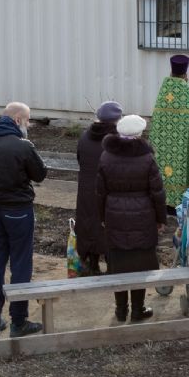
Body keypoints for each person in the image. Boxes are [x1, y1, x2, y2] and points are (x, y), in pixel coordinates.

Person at [0, 102, 48, 338]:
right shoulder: (23, 146)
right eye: (27, 120)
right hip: (19, 210)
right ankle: (18, 320)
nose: (29, 124)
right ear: (17, 120)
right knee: (21, 264)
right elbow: (40, 174)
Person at [96, 114, 166, 323]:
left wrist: (102, 217)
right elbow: (157, 192)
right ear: (139, 134)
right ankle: (137, 309)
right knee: (140, 264)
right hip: (143, 216)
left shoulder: (106, 156)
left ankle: (120, 310)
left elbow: (100, 191)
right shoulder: (147, 158)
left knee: (118, 264)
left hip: (114, 215)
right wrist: (161, 218)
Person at [149, 55, 189, 208]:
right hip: (183, 152)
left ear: (171, 72)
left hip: (164, 150)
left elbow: (155, 125)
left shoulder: (162, 97)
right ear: (186, 75)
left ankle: (162, 201)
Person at [74, 101, 122, 277]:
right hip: (109, 190)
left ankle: (91, 265)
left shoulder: (85, 136)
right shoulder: (116, 139)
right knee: (110, 226)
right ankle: (112, 266)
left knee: (89, 225)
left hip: (87, 189)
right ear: (117, 119)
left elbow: (80, 159)